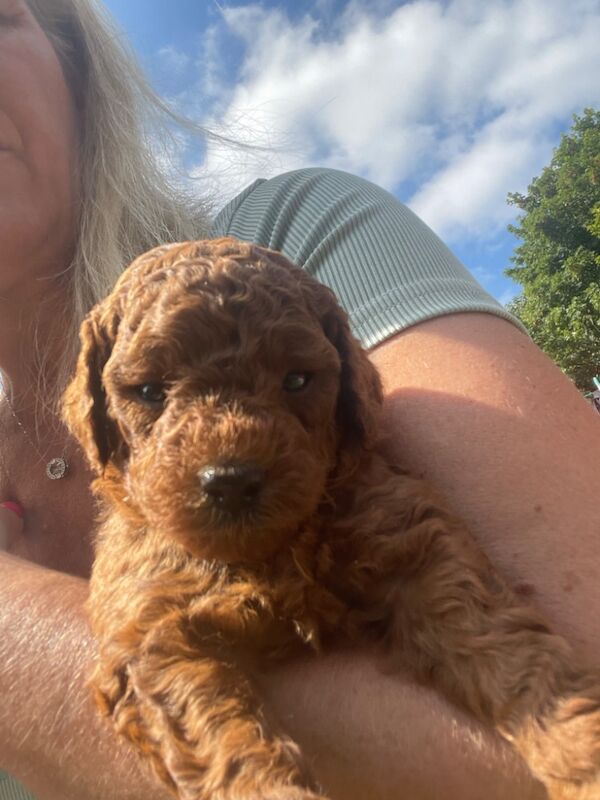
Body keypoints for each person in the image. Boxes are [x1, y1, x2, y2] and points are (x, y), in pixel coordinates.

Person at [1, 1, 599, 799]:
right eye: (150, 392)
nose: (228, 451)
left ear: (74, 65)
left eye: (293, 385)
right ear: (99, 420)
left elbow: (561, 657)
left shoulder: (301, 233)